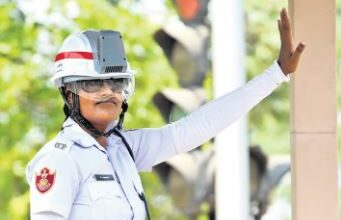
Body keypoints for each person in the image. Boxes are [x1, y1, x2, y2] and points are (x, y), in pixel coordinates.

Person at [26, 8, 305, 220]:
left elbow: (200, 126)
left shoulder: (123, 149)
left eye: (116, 83)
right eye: (91, 83)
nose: (107, 92)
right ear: (67, 92)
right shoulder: (59, 160)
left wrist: (276, 74)